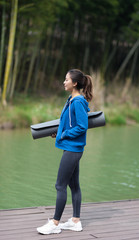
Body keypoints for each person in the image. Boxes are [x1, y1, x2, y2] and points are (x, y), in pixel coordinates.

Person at [37, 69, 93, 234]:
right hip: (71, 147)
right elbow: (69, 122)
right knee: (73, 185)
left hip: (73, 149)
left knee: (60, 185)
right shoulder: (71, 100)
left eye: (66, 79)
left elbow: (82, 126)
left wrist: (65, 134)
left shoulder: (77, 102)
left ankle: (55, 224)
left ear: (74, 83)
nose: (64, 82)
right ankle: (75, 221)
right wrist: (59, 132)